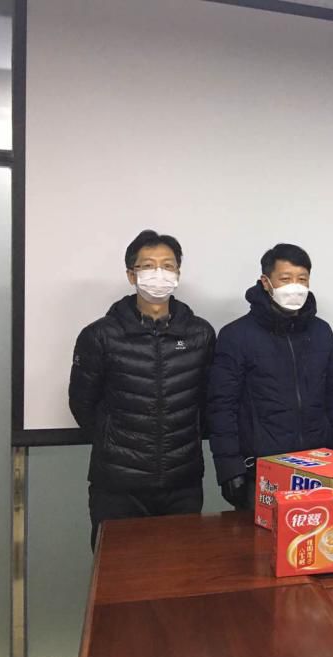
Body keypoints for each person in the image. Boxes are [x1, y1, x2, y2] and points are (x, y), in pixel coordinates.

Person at [69, 230, 215, 550]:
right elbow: (83, 405)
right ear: (131, 275)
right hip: (118, 487)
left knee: (181, 570)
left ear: (178, 273)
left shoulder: (200, 334)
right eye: (148, 266)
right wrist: (117, 446)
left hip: (182, 483)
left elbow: (207, 403)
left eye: (168, 266)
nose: (159, 274)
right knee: (118, 572)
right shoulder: (100, 335)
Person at [208, 243, 333, 509]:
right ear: (266, 282)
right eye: (286, 279)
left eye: (302, 279)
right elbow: (222, 407)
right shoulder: (236, 335)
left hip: (320, 470)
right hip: (262, 472)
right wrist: (229, 469)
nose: (295, 286)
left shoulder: (321, 332)